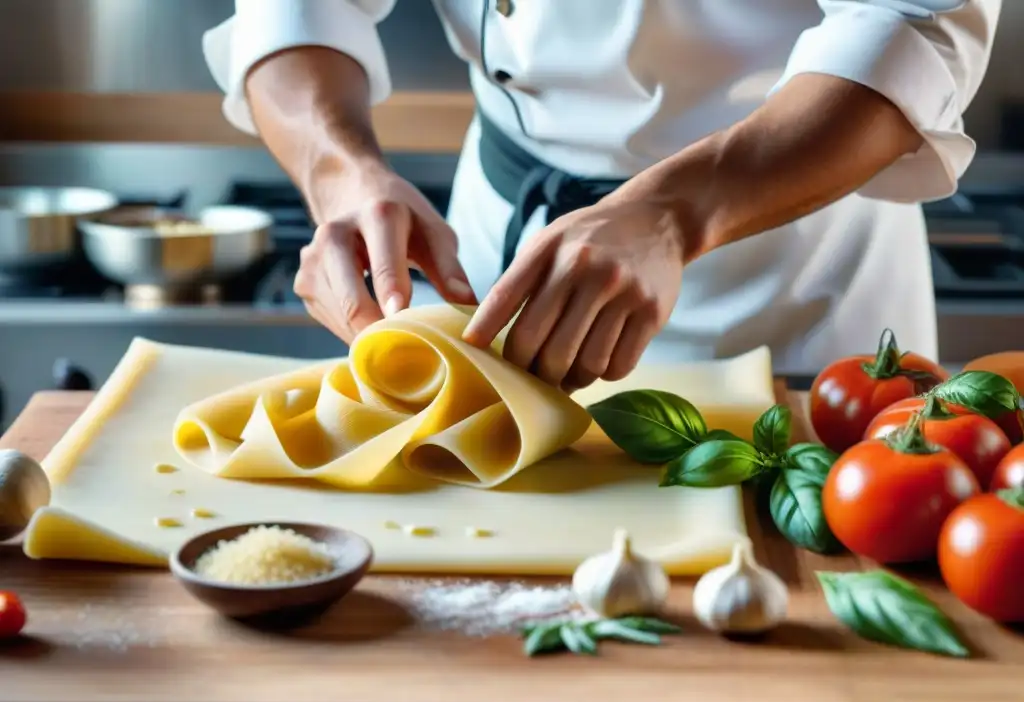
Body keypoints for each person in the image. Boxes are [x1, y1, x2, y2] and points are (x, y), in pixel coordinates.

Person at [202, 0, 1001, 392]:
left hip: (787, 273)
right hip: (495, 254)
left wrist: (673, 212)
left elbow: (915, 26)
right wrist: (338, 173)